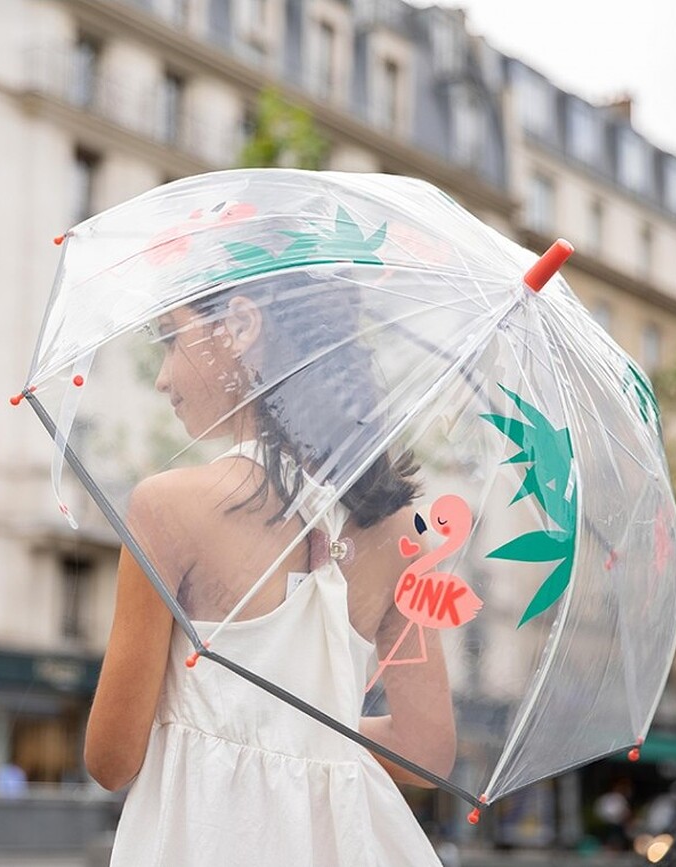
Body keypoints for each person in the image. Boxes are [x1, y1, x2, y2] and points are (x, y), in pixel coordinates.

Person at [84, 274, 456, 865]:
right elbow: (426, 750)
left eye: (172, 339)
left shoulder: (167, 507)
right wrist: (304, 730)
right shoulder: (402, 534)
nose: (162, 377)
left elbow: (112, 759)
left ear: (241, 326)